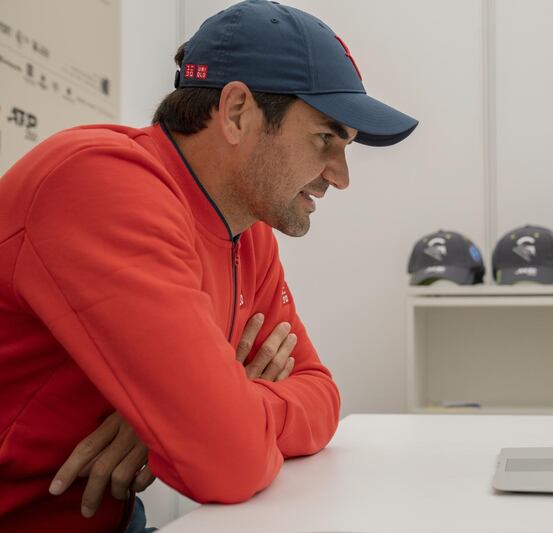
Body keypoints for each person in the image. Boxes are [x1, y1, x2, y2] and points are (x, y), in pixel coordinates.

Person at [0, 1, 418, 531]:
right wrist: (198, 417)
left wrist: (197, 411)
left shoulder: (249, 231)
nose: (339, 176)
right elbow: (229, 459)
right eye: (326, 138)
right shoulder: (99, 182)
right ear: (238, 111)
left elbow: (321, 392)